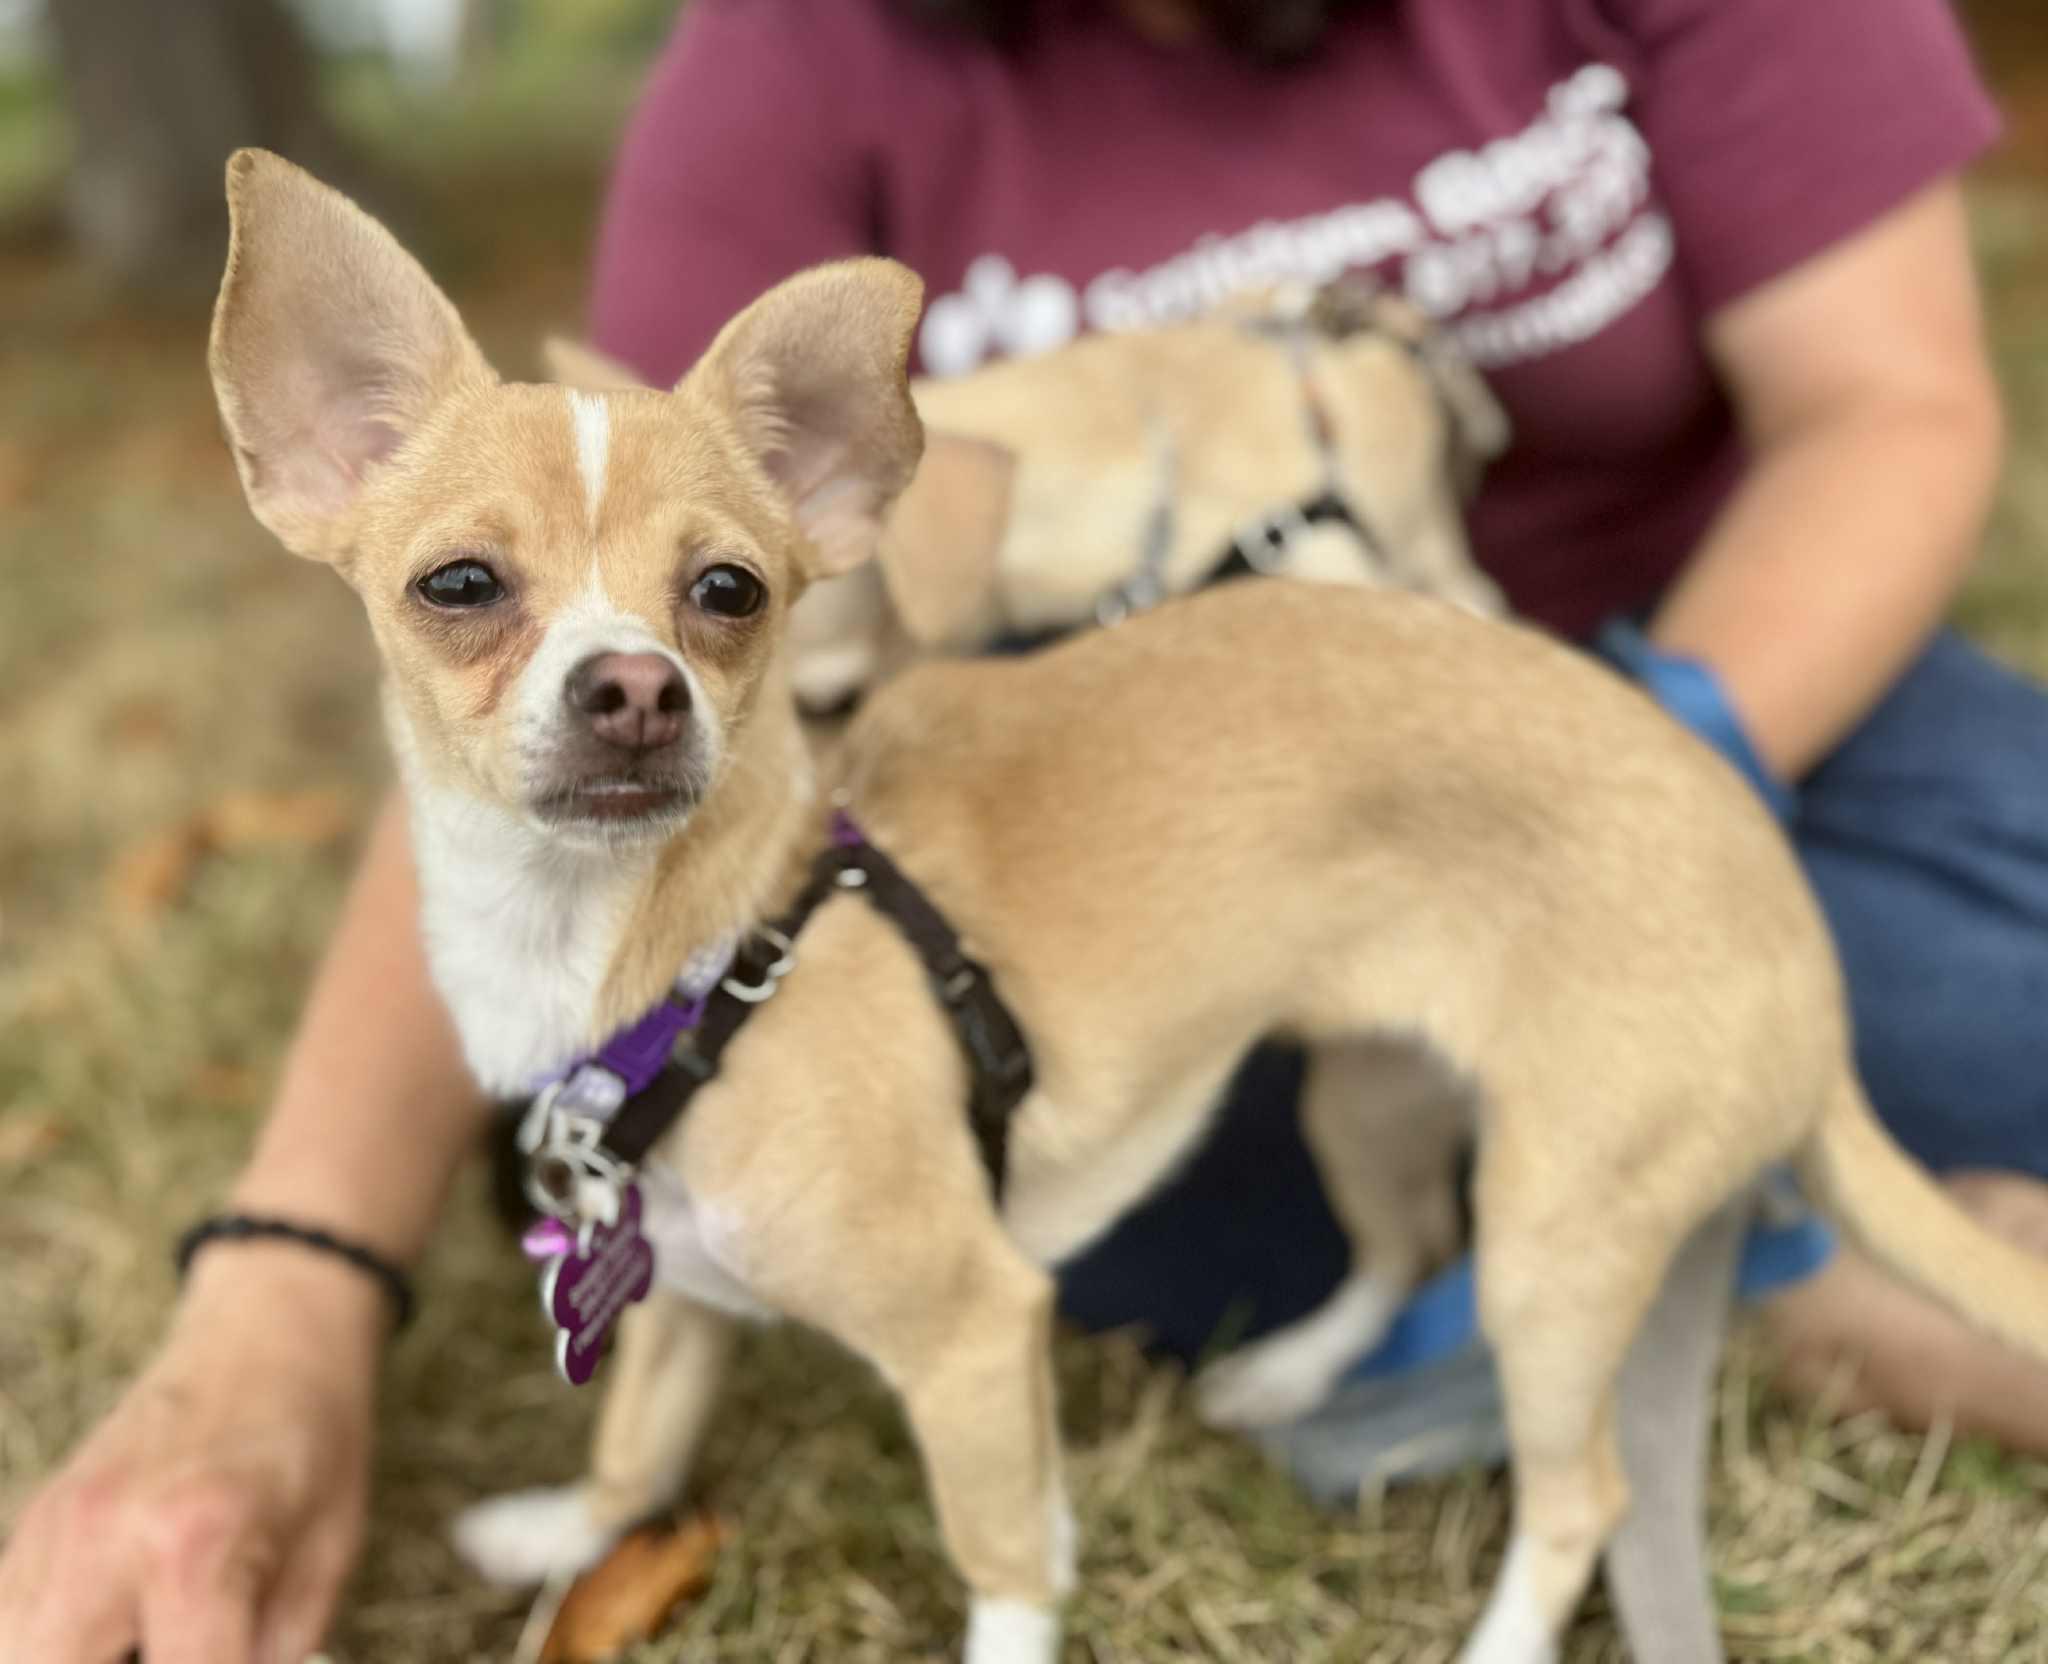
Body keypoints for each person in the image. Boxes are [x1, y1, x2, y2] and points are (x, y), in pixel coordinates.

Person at [6, 0, 2048, 1658]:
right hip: (1123, 849)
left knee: (1895, 1038)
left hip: (1714, 686)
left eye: (720, 597)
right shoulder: (794, 67)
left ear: (813, 509)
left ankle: (1673, 1214)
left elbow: (1896, 399)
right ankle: (1643, 1220)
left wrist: (1629, 787)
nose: (616, 666)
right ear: (311, 457)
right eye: (473, 593)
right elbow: (539, 727)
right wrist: (280, 1277)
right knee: (976, 1157)